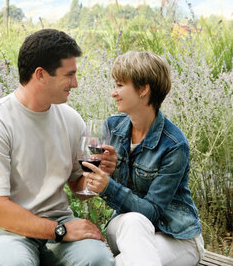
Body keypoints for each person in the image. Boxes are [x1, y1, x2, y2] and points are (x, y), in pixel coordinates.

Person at [0, 29, 115, 266]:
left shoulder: (71, 119)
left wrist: (100, 175)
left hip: (58, 224)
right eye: (69, 75)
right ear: (41, 75)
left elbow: (79, 187)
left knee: (97, 259)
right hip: (4, 231)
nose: (75, 84)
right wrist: (60, 230)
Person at [84, 51, 204, 266]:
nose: (114, 93)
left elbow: (153, 212)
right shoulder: (112, 128)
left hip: (177, 238)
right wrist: (107, 173)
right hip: (125, 228)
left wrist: (108, 186)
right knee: (133, 221)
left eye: (120, 85)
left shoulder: (174, 145)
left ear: (143, 89)